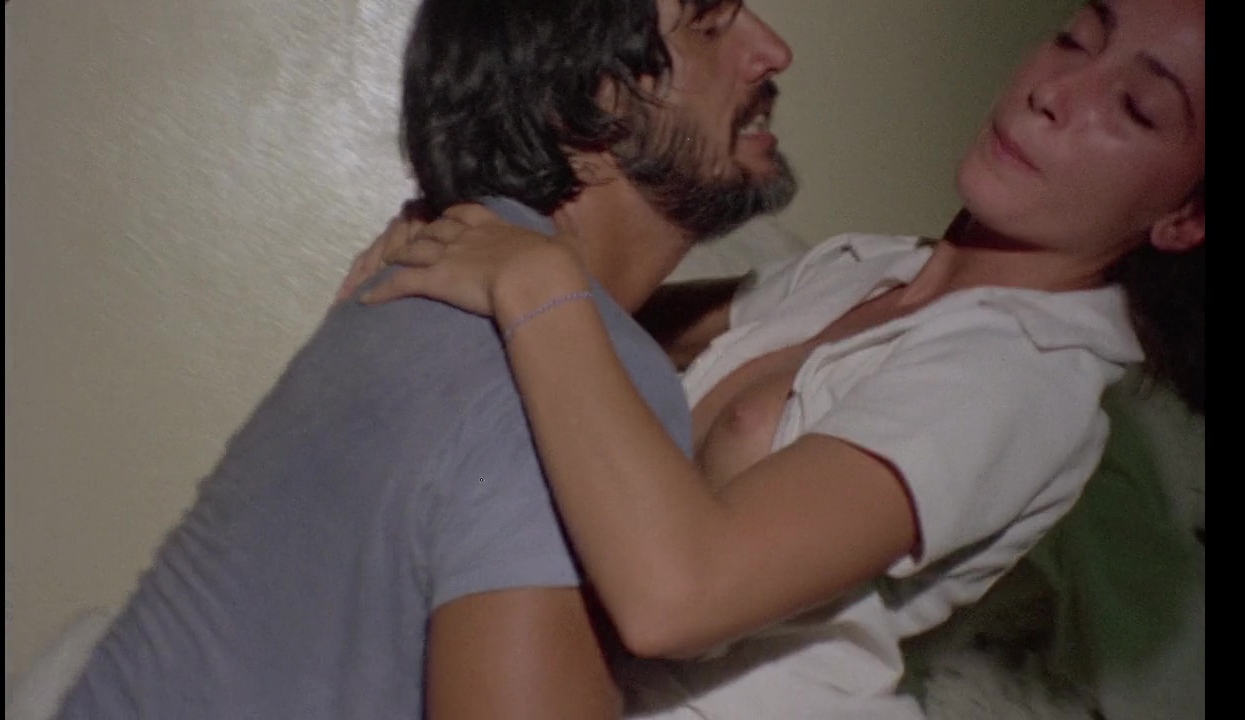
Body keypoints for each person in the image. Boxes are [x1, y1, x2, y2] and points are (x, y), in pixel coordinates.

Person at [350, 0, 1205, 716]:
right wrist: (449, 253)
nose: (1054, 93)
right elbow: (609, 325)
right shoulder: (869, 267)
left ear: (1185, 219)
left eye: (1136, 108)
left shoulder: (1026, 377)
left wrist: (534, 280)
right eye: (1075, 39)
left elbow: (675, 597)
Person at [54, 0, 795, 718]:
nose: (773, 52)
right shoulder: (565, 358)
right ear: (588, 98)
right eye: (709, 25)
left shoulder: (414, 289)